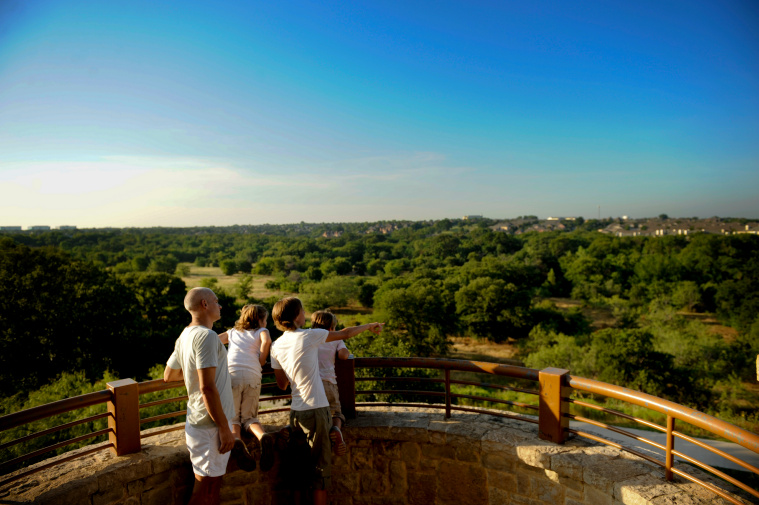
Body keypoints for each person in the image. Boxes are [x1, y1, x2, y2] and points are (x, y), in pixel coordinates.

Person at [270, 297, 383, 505]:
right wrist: (370, 325)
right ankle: (336, 428)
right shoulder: (309, 336)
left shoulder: (276, 346)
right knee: (319, 472)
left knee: (297, 472)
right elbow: (346, 333)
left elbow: (282, 384)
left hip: (296, 412)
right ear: (297, 316)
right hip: (317, 409)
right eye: (302, 311)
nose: (305, 315)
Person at [164, 287, 235, 505]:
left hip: (201, 422)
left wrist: (193, 370)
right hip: (211, 425)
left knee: (210, 489)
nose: (219, 305)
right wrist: (224, 428)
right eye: (216, 301)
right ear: (205, 304)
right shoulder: (207, 337)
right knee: (206, 491)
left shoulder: (186, 335)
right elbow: (207, 388)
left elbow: (169, 374)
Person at [217, 304, 274, 471]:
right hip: (252, 375)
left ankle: (237, 441)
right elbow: (267, 341)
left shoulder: (233, 332)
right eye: (265, 319)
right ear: (260, 319)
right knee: (249, 417)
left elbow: (214, 341)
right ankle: (262, 436)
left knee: (233, 418)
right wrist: (262, 359)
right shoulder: (261, 331)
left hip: (232, 375)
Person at [311, 310, 350, 457]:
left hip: (310, 384)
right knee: (336, 412)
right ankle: (336, 429)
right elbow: (344, 355)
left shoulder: (309, 336)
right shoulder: (336, 339)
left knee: (310, 413)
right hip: (328, 383)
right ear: (332, 327)